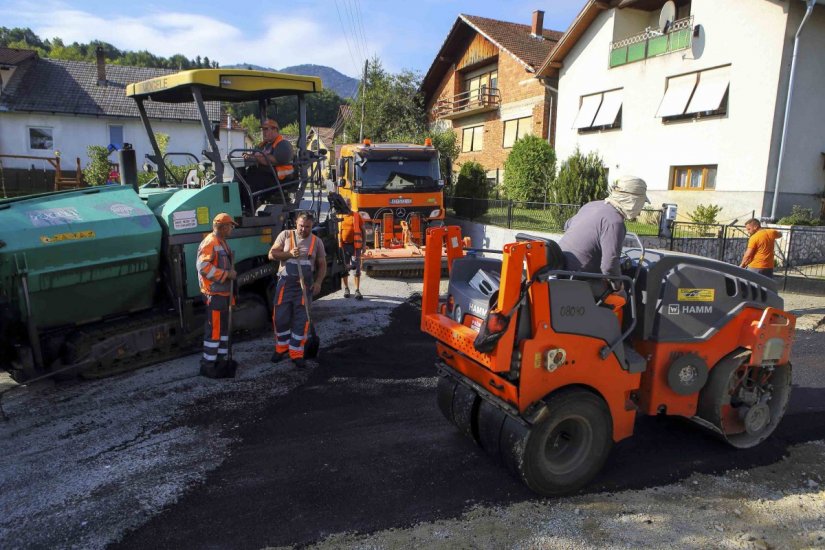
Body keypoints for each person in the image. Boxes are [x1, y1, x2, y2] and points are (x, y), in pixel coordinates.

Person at [558, 175, 649, 297]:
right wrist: (618, 287)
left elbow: (567, 225)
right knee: (626, 290)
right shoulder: (615, 222)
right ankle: (633, 316)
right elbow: (609, 266)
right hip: (580, 280)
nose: (641, 209)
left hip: (562, 269)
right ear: (634, 201)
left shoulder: (591, 205)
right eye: (642, 203)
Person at [268, 212, 327, 367]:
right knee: (280, 318)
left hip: (304, 287)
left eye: (307, 226)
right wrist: (288, 254)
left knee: (301, 321)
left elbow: (322, 264)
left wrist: (319, 282)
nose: (303, 229)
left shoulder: (316, 242)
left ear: (312, 226)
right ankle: (281, 348)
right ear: (296, 223)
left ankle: (296, 353)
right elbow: (271, 254)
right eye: (301, 225)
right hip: (285, 285)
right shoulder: (286, 235)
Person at [196, 213, 238, 378]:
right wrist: (227, 274)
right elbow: (204, 268)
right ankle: (208, 365)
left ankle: (219, 360)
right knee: (214, 332)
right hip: (214, 294)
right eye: (231, 226)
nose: (232, 229)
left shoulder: (221, 242)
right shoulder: (211, 242)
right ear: (223, 227)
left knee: (222, 331)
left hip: (222, 293)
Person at [339, 199, 364, 300]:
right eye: (345, 204)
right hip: (343, 246)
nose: (347, 206)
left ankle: (357, 290)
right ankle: (346, 288)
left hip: (355, 246)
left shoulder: (357, 216)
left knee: (356, 268)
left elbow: (363, 231)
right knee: (344, 268)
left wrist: (364, 244)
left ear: (351, 205)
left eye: (349, 204)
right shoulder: (339, 216)